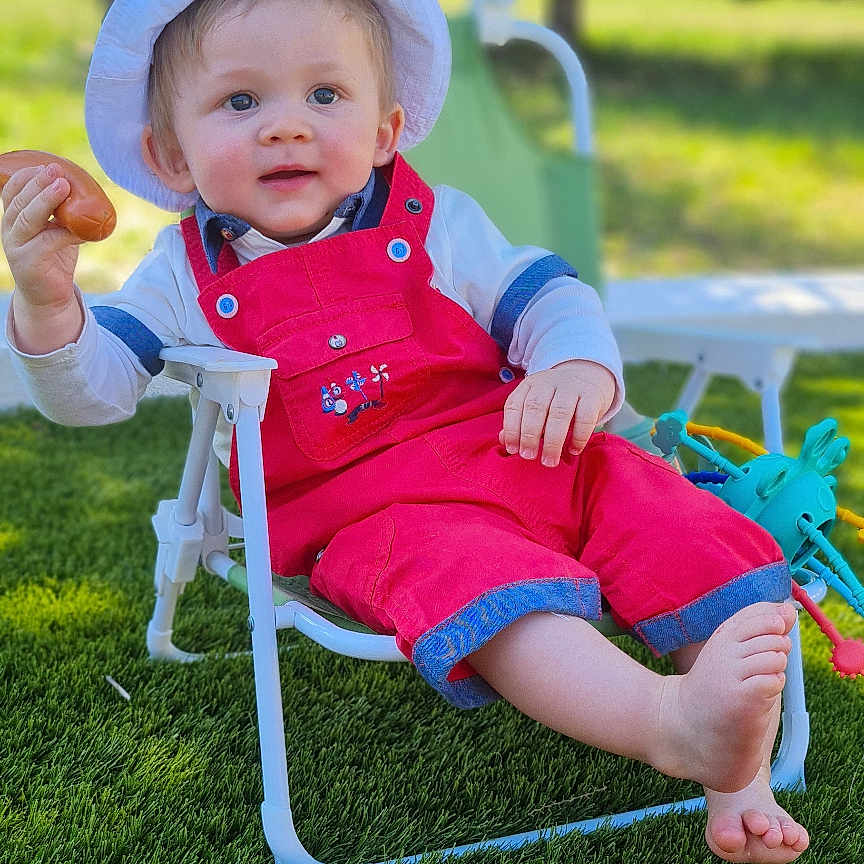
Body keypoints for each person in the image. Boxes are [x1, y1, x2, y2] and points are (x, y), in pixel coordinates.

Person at [0, 0, 808, 859]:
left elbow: (548, 295)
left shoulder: (441, 224)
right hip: (381, 517)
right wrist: (51, 305)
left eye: (324, 96)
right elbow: (94, 394)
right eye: (240, 103)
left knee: (664, 507)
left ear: (386, 130)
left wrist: (573, 366)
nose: (285, 129)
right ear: (169, 153)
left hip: (529, 455)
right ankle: (666, 723)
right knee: (478, 581)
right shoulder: (178, 277)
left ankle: (737, 781)